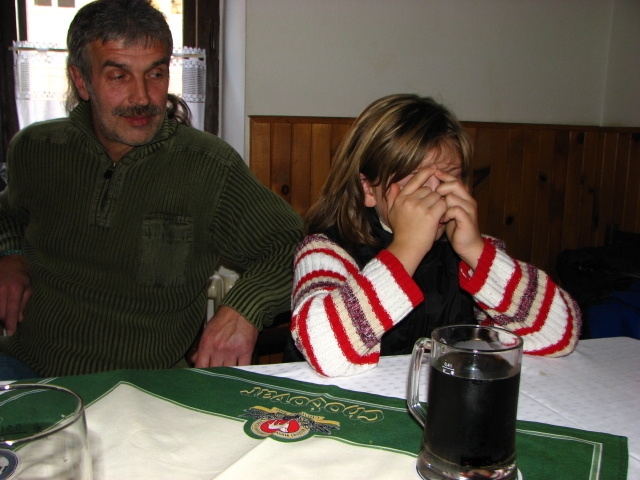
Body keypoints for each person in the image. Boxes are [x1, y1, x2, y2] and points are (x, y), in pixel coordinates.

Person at [0, 0, 302, 379]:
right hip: (25, 368)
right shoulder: (36, 148)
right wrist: (9, 254)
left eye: (155, 74)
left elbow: (292, 246)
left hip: (146, 384)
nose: (142, 97)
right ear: (82, 81)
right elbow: (8, 212)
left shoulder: (209, 166)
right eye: (119, 76)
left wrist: (244, 308)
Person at [288, 94, 581, 377]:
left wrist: (476, 251)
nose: (434, 195)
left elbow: (561, 336)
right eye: (414, 180)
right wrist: (408, 247)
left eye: (448, 177)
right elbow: (326, 351)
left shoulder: (473, 256)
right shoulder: (324, 251)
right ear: (368, 189)